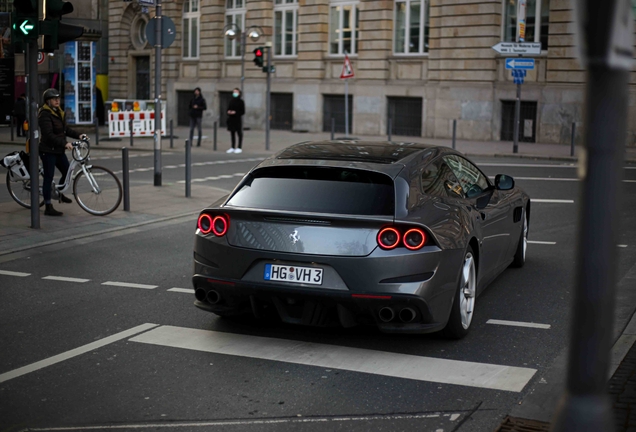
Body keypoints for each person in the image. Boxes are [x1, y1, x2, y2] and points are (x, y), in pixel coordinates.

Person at [38, 88, 87, 216]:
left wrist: (79, 135)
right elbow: (48, 134)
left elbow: (65, 130)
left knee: (67, 172)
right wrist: (65, 143)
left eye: (58, 98)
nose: (57, 100)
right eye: (54, 99)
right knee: (48, 177)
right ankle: (48, 206)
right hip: (47, 150)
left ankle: (58, 194)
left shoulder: (58, 112)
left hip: (58, 150)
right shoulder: (44, 114)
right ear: (48, 101)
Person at [226, 88, 245, 154]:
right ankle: (232, 147)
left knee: (239, 133)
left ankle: (239, 147)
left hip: (237, 119)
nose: (235, 93)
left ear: (239, 93)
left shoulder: (241, 101)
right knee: (232, 133)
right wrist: (229, 111)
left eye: (236, 92)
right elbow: (228, 108)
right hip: (231, 119)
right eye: (234, 92)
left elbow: (242, 111)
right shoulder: (231, 101)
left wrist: (235, 112)